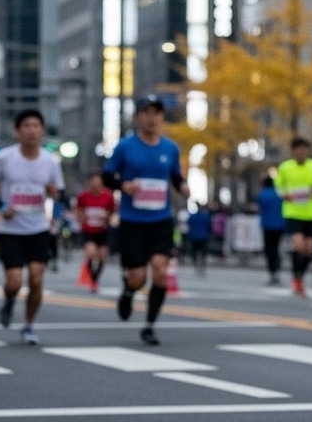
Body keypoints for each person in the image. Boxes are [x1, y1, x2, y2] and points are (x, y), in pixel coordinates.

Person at [103, 93, 189, 346]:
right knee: (138, 278)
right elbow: (108, 177)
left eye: (157, 113)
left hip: (161, 220)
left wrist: (183, 186)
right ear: (138, 117)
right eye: (147, 113)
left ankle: (149, 325)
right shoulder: (125, 147)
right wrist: (123, 185)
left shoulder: (170, 148)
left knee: (161, 273)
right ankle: (128, 292)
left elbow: (175, 176)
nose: (152, 118)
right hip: (132, 220)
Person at [0, 109, 65, 344]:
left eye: (36, 126)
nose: (31, 130)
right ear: (17, 131)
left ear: (42, 131)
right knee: (14, 282)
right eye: (26, 126)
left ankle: (28, 325)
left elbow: (61, 192)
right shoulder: (5, 158)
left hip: (38, 229)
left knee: (36, 280)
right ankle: (8, 300)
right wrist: (1, 206)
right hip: (10, 230)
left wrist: (55, 194)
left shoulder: (50, 161)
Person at [275, 137, 312, 296]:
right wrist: (285, 195)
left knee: (309, 251)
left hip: (310, 213)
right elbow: (278, 186)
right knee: (298, 246)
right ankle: (296, 277)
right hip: (293, 212)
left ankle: (300, 277)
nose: (301, 152)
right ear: (293, 151)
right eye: (298, 149)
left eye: (304, 148)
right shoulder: (285, 167)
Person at [75, 171, 116, 292]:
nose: (96, 184)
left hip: (103, 231)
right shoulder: (83, 196)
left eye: (98, 182)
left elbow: (112, 210)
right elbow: (78, 210)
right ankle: (92, 279)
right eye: (93, 181)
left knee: (102, 257)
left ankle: (95, 279)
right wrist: (81, 218)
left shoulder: (108, 196)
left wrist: (107, 217)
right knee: (91, 253)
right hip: (88, 231)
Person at [257, 175, 285, 285]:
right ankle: (277, 269)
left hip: (267, 225)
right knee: (277, 247)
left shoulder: (263, 194)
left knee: (269, 249)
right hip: (280, 224)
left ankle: (271, 270)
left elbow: (259, 205)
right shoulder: (279, 193)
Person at [187, 203, 212, 273]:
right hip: (204, 236)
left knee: (194, 251)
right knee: (203, 251)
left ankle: (196, 262)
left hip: (194, 236)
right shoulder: (206, 216)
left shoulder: (192, 216)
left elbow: (189, 224)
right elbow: (209, 226)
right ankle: (202, 262)